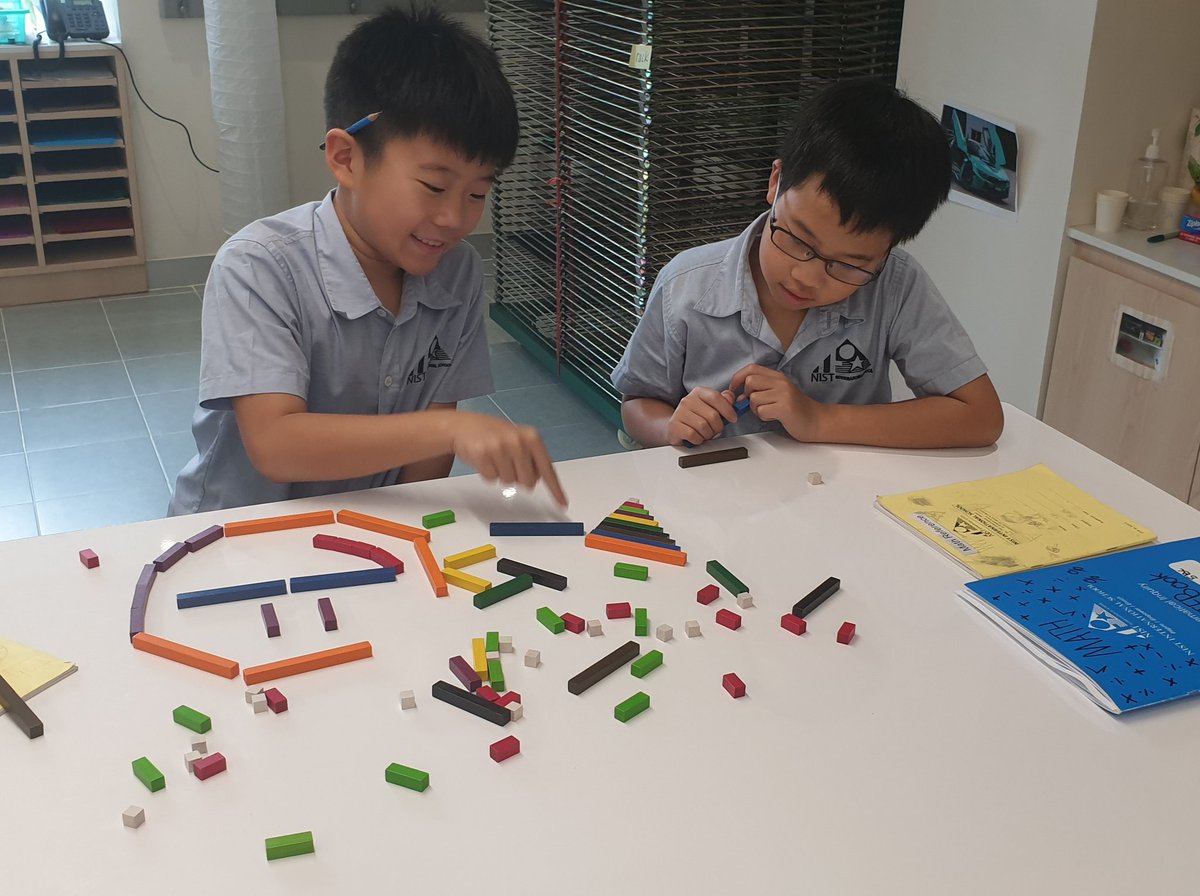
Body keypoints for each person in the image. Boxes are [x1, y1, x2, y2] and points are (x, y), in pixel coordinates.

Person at [170, 5, 566, 515]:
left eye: (477, 193)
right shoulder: (258, 266)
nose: (454, 218)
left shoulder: (458, 272)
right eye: (435, 186)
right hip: (240, 534)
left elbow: (427, 460)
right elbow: (275, 444)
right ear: (346, 158)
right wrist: (450, 428)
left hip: (370, 526)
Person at [612, 78, 1004, 451]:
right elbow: (637, 403)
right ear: (776, 181)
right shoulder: (687, 285)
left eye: (849, 265)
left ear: (889, 249)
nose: (807, 277)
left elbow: (980, 417)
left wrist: (818, 420)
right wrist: (671, 428)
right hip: (715, 500)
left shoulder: (896, 285)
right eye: (798, 239)